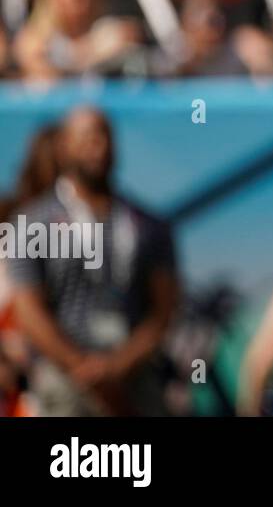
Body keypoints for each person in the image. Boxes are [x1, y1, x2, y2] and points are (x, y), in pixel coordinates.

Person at [6, 107, 179, 416]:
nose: (97, 146)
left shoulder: (147, 224)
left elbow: (164, 309)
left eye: (104, 136)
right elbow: (28, 309)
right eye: (86, 137)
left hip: (133, 374)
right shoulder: (31, 223)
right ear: (63, 147)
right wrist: (82, 367)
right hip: (65, 377)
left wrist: (118, 365)